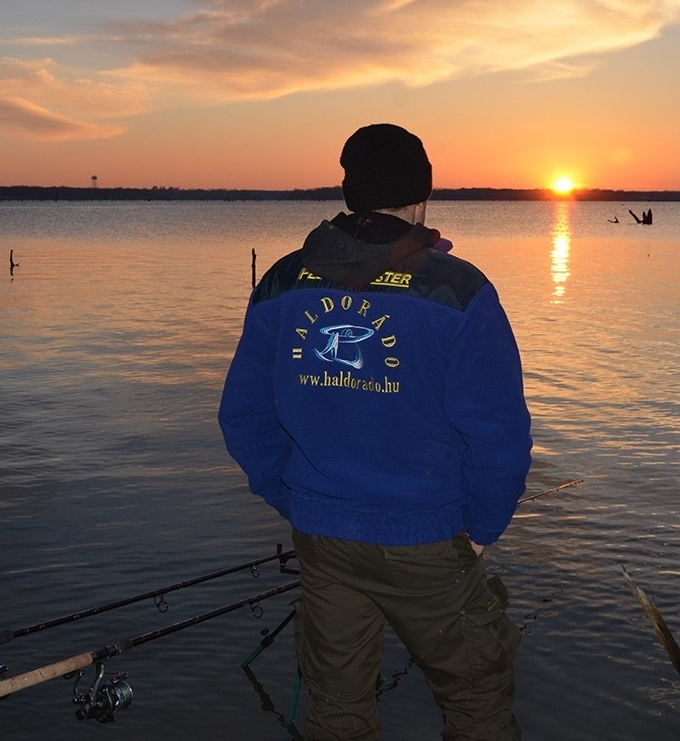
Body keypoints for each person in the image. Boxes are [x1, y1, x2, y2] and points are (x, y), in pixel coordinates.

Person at [219, 123, 533, 740]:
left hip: (322, 538)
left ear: (350, 193)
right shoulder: (460, 290)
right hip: (430, 539)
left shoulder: (281, 282)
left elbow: (245, 417)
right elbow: (498, 437)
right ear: (420, 200)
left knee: (337, 713)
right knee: (477, 704)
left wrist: (295, 499)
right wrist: (484, 528)